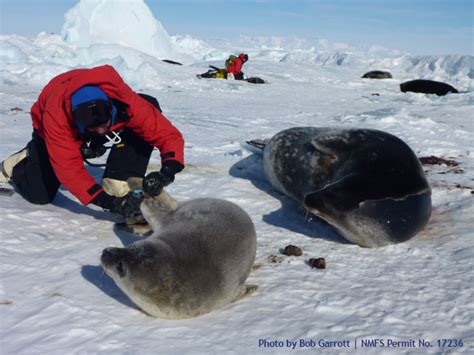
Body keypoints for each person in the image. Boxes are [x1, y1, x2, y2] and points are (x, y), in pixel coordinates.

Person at [0, 65, 185, 219]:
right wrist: (107, 202)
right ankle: (25, 158)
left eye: (105, 126)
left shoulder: (123, 100)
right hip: (51, 134)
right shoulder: (56, 118)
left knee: (148, 103)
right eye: (95, 129)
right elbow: (70, 170)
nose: (102, 132)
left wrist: (166, 172)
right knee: (39, 195)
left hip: (90, 126)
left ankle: (120, 176)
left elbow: (167, 135)